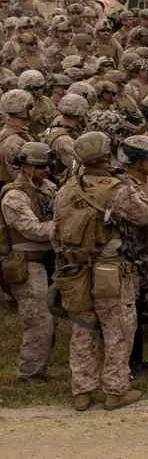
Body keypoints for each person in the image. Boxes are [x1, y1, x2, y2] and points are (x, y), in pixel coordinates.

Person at [53, 131, 148, 411]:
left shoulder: (66, 189)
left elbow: (55, 232)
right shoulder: (117, 188)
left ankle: (82, 392)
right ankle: (115, 390)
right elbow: (143, 215)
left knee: (83, 330)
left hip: (75, 270)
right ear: (105, 154)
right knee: (119, 329)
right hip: (111, 269)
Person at [3, 142, 57, 385]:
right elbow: (33, 229)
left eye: (47, 165)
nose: (46, 170)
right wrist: (69, 226)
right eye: (40, 166)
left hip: (48, 261)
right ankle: (28, 374)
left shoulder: (46, 187)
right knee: (37, 321)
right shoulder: (14, 196)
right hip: (28, 264)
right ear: (24, 167)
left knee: (49, 318)